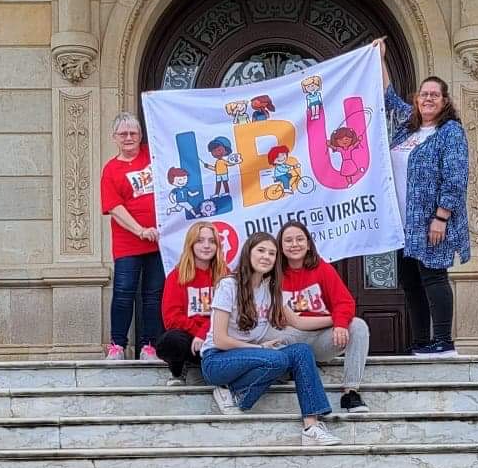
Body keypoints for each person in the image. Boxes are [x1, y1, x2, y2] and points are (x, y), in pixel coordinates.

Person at [201, 232, 343, 445]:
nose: (266, 257)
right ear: (248, 253)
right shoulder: (229, 285)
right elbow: (220, 340)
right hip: (218, 360)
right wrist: (259, 348)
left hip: (253, 358)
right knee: (277, 359)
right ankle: (231, 390)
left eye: (272, 253)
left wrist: (340, 319)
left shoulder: (271, 289)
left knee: (301, 351)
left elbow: (299, 322)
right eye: (261, 250)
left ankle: (311, 426)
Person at [377, 39, 470, 357]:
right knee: (411, 280)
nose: (428, 98)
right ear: (416, 100)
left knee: (433, 276)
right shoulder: (408, 128)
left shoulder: (449, 132)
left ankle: (443, 341)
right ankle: (421, 342)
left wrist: (441, 217)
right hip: (403, 222)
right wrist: (380, 59)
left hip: (431, 221)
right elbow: (389, 98)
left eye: (434, 95)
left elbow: (455, 177)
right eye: (423, 94)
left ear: (444, 101)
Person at [273, 221, 370, 413]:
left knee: (358, 326)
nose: (294, 244)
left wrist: (340, 324)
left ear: (309, 244)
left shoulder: (321, 268)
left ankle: (351, 393)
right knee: (269, 337)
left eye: (300, 239)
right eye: (288, 240)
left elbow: (345, 302)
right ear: (280, 246)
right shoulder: (273, 274)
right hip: (289, 338)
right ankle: (286, 370)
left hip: (320, 338)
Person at [100, 111, 161, 361]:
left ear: (141, 135)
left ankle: (149, 346)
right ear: (114, 137)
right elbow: (115, 208)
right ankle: (117, 345)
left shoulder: (153, 155)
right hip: (128, 243)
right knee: (124, 293)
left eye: (133, 133)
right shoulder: (111, 170)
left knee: (153, 295)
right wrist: (140, 231)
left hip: (159, 241)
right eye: (123, 134)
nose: (128, 137)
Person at [157, 221, 225, 396]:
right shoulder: (177, 276)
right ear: (191, 244)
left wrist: (204, 334)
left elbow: (229, 313)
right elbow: (171, 318)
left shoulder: (225, 275)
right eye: (200, 240)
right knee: (171, 340)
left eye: (212, 241)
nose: (206, 246)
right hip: (191, 340)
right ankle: (178, 371)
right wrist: (197, 334)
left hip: (217, 337)